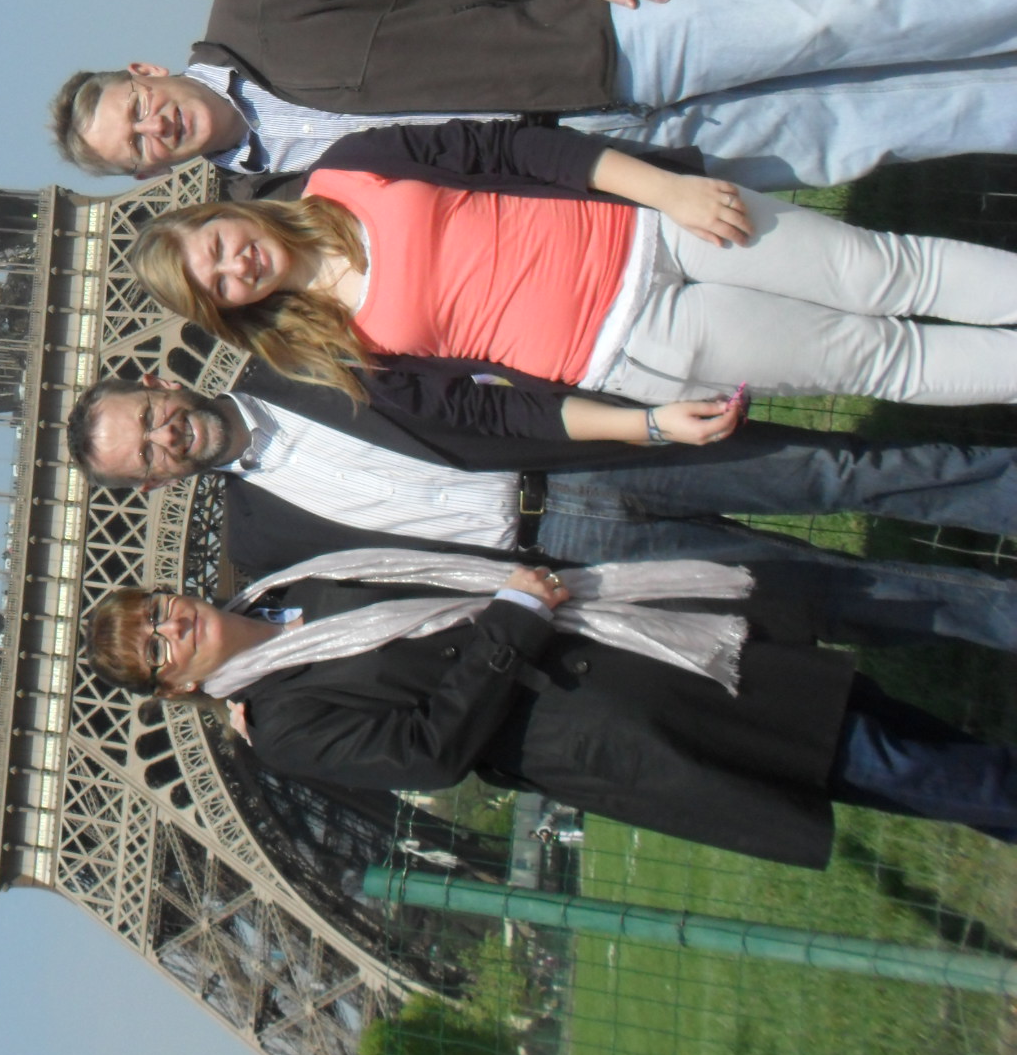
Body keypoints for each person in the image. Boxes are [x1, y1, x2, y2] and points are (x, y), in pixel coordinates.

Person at [49, 0, 1017, 194]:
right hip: (614, 162)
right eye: (137, 148)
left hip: (612, 35)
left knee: (843, 15)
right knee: (866, 131)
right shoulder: (272, 205)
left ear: (145, 72)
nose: (154, 128)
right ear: (149, 173)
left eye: (136, 110)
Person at [83, 559, 1017, 867]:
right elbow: (430, 752)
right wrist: (512, 623)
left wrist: (523, 600)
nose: (172, 627)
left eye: (156, 611)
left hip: (634, 638)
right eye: (157, 648)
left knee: (867, 721)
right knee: (868, 754)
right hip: (608, 720)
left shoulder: (296, 585)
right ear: (175, 689)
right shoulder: (281, 726)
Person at [69, 370, 1017, 652]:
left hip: (585, 447)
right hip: (569, 559)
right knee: (829, 594)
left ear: (159, 385)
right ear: (152, 487)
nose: (163, 438)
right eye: (144, 455)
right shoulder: (259, 543)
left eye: (148, 419)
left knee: (843, 474)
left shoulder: (290, 354)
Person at [130, 120, 1017, 417]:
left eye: (217, 245)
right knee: (880, 359)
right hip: (638, 340)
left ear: (226, 213)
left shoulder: (350, 165)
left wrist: (667, 190)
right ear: (230, 310)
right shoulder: (328, 351)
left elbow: (510, 150)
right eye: (219, 285)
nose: (236, 265)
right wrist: (646, 426)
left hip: (655, 228)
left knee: (886, 270)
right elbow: (486, 415)